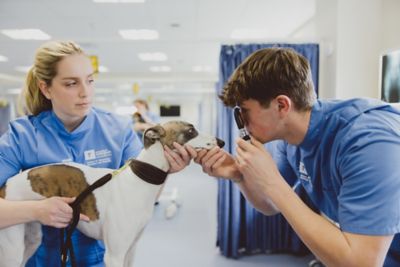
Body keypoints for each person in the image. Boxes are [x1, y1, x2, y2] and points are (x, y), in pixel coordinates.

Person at [183, 47, 400, 266]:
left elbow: (361, 264)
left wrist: (272, 182)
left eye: (245, 111)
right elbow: (269, 205)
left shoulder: (368, 142)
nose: (242, 123)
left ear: (281, 105)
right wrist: (239, 175)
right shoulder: (291, 141)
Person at [0, 41, 190, 266]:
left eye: (90, 80)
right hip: (43, 259)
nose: (85, 92)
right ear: (46, 88)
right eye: (71, 83)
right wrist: (37, 210)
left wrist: (163, 170)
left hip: (101, 259)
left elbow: (141, 199)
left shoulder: (118, 131)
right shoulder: (22, 136)